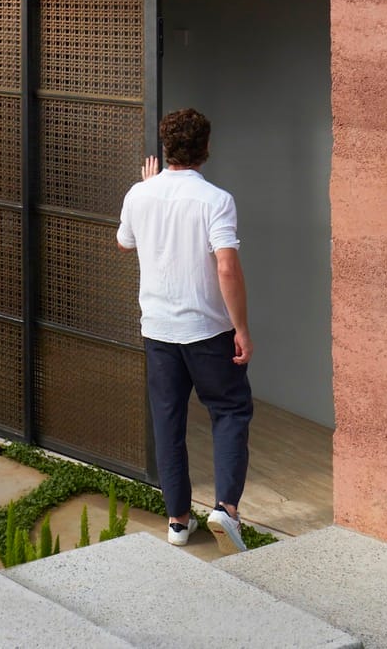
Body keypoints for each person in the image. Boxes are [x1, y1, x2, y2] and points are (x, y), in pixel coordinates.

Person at [116, 107, 253, 554]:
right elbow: (227, 266)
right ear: (206, 149)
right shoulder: (217, 200)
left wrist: (145, 185)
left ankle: (177, 521)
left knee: (168, 420)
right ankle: (225, 510)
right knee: (230, 412)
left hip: (158, 331)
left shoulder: (139, 194)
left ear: (165, 148)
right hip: (208, 331)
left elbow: (125, 242)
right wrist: (241, 328)